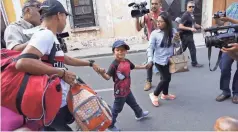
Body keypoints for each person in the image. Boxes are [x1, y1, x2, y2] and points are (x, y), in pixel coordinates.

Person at [15, 0, 102, 130]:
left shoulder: (51, 36)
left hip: (57, 100)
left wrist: (90, 63)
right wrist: (62, 73)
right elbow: (22, 62)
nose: (65, 22)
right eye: (65, 17)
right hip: (51, 103)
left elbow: (66, 59)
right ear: (59, 15)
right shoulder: (45, 35)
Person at [99, 40, 150, 131]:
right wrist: (102, 73)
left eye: (122, 50)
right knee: (116, 110)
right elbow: (107, 77)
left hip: (127, 89)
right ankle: (110, 125)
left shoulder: (127, 61)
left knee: (133, 103)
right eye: (117, 50)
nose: (120, 52)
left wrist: (144, 67)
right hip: (120, 92)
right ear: (113, 52)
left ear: (126, 51)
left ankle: (139, 114)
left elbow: (133, 67)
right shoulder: (114, 64)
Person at [147, 12, 180, 107]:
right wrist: (150, 59)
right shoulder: (155, 34)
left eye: (161, 21)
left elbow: (177, 45)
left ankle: (165, 94)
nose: (158, 23)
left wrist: (177, 40)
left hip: (169, 60)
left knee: (166, 78)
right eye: (158, 21)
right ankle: (154, 94)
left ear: (167, 22)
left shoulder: (173, 31)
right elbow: (150, 47)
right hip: (159, 61)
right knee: (166, 78)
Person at [135, 0, 162, 91]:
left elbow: (159, 29)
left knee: (162, 63)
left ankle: (163, 81)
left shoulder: (163, 15)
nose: (153, 5)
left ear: (160, 5)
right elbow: (138, 29)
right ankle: (148, 81)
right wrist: (137, 18)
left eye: (156, 4)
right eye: (152, 4)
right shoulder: (146, 15)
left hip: (162, 43)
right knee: (149, 62)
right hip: (152, 43)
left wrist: (152, 18)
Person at [214, 2, 238, 104]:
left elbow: (228, 20)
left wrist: (229, 19)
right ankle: (225, 91)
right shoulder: (232, 6)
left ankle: (236, 93)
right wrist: (217, 18)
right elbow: (221, 23)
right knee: (224, 67)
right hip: (228, 40)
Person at [178, 1, 203, 67]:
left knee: (182, 49)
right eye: (190, 7)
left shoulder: (191, 14)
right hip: (185, 35)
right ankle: (194, 63)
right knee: (192, 49)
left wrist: (201, 27)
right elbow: (180, 26)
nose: (191, 8)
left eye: (193, 7)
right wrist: (190, 29)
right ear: (187, 7)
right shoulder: (185, 15)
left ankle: (171, 58)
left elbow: (194, 24)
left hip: (189, 35)